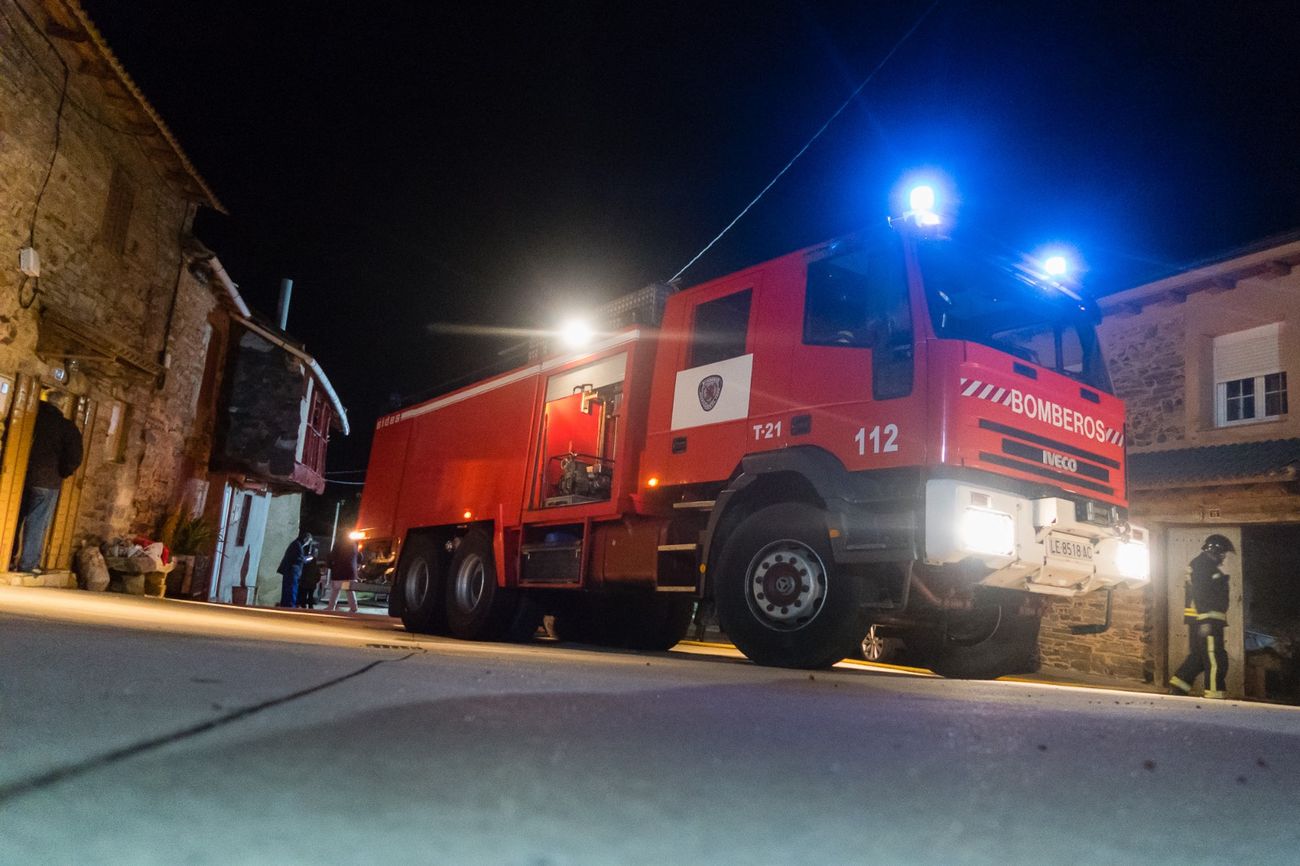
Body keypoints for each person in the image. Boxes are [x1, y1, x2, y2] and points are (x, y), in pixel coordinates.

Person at [15, 390, 83, 573]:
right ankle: (28, 564)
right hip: (48, 480)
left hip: (20, 475)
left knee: (15, 517)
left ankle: (8, 556)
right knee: (37, 521)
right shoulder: (66, 426)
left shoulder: (32, 419)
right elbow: (74, 457)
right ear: (63, 405)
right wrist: (63, 472)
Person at [1169, 534, 1235, 699]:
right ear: (1216, 550)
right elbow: (1201, 594)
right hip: (1208, 620)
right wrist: (1205, 621)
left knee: (1198, 657)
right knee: (1215, 658)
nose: (1224, 557)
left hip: (1203, 620)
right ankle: (1215, 694)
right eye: (1223, 553)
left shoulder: (1202, 565)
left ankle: (1178, 687)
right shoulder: (1203, 567)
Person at [276, 529, 314, 608]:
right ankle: (289, 605)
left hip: (290, 570)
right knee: (291, 589)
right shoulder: (297, 545)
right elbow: (299, 559)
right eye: (308, 541)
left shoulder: (296, 544)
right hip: (292, 571)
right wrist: (307, 559)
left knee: (288, 589)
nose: (307, 544)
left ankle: (286, 604)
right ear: (305, 539)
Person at [327, 541, 360, 613]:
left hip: (339, 573)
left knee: (336, 590)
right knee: (348, 590)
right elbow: (360, 556)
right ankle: (353, 607)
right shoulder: (354, 544)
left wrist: (330, 566)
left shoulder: (338, 544)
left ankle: (331, 606)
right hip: (350, 573)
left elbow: (332, 555)